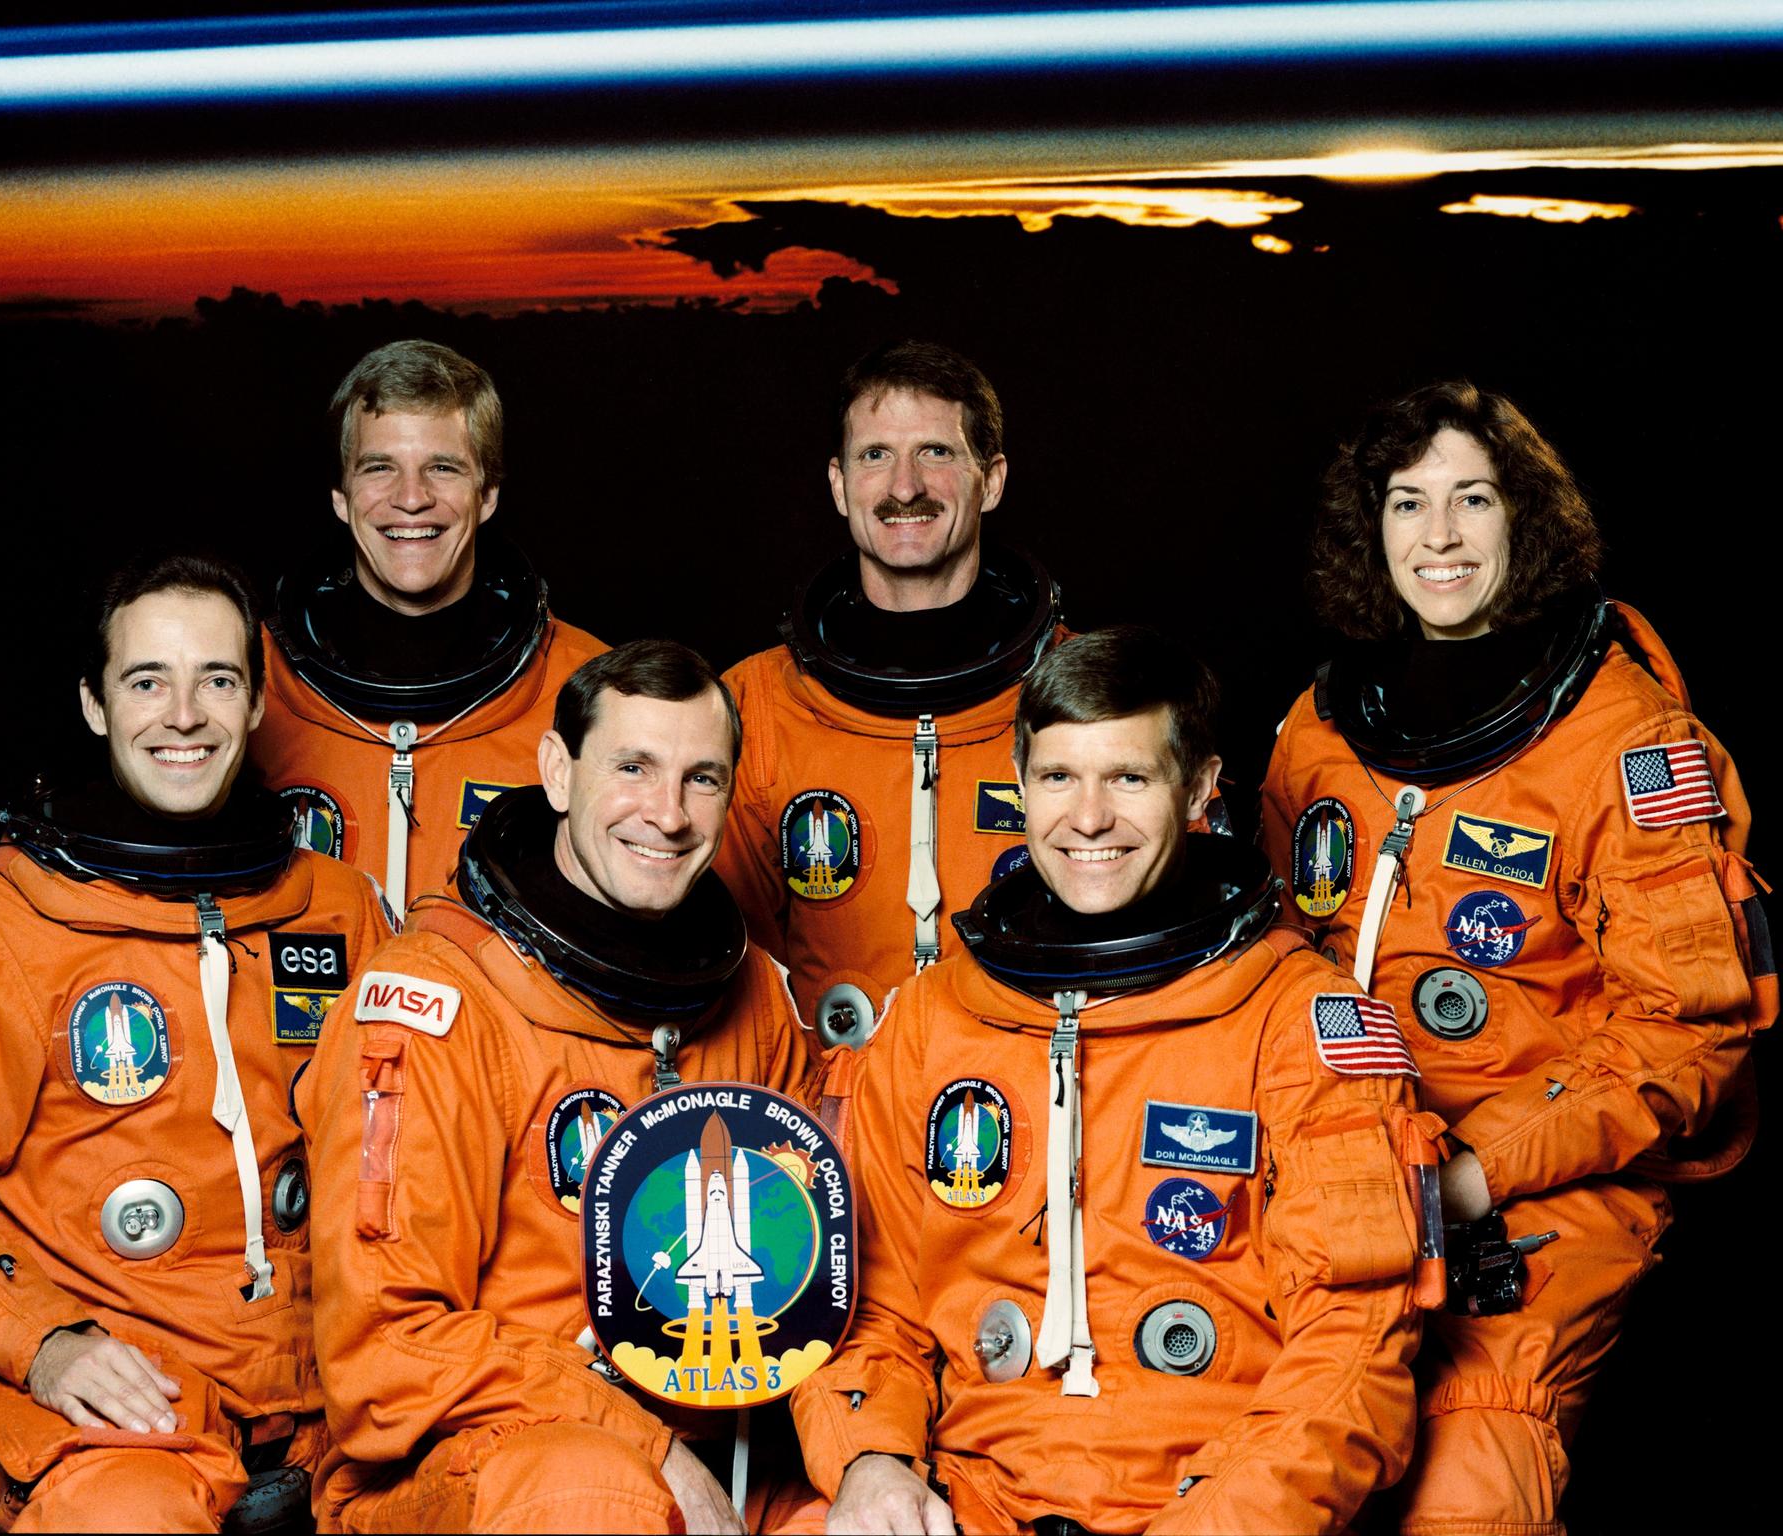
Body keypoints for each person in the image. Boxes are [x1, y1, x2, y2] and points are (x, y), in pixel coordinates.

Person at [1258, 381, 1775, 1534]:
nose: (1437, 537)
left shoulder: (1629, 745)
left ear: (1523, 519)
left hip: (1536, 1183)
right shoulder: (1323, 728)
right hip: (1338, 1161)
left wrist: (1475, 1176)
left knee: (1461, 1465)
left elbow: (1689, 1036)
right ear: (1370, 529)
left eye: (1471, 500)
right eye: (1407, 504)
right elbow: (1264, 964)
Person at [794, 627, 1435, 1534]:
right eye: (1058, 778)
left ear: (1202, 787)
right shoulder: (933, 1019)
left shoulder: (1301, 1020)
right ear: (1019, 782)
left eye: (1128, 779)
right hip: (971, 1496)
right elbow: (871, 1308)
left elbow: (1352, 1343)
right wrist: (871, 1463)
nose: (1088, 819)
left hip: (1211, 1498)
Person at [0, 552, 393, 1532]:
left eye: (217, 681)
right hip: (113, 1415)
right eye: (147, 681)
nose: (183, 714)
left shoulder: (338, 908)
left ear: (256, 703)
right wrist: (49, 1343)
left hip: (335, 1407)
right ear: (96, 704)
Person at [299, 639, 815, 1534]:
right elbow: (384, 1349)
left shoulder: (758, 999)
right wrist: (645, 1449)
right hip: (493, 1464)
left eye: (702, 779)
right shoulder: (435, 1005)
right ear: (557, 772)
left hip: (722, 1445)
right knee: (597, 1498)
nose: (669, 813)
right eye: (634, 767)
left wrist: (875, 1463)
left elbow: (825, 1277)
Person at [716, 340, 1065, 1050]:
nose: (905, 486)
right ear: (840, 485)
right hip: (818, 1117)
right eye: (876, 456)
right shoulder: (754, 704)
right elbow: (708, 950)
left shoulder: (1092, 698)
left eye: (936, 452)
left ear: (991, 480)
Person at [248, 338, 607, 916]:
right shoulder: (245, 682)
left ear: (487, 494)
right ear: (341, 497)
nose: (411, 499)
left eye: (442, 468)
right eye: (379, 468)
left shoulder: (588, 689)